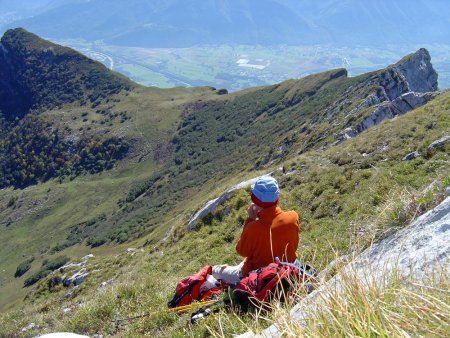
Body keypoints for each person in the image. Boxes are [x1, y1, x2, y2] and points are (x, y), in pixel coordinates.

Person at [212, 176, 299, 284]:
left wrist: (250, 219)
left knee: (215, 270)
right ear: (277, 198)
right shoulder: (293, 216)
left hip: (260, 276)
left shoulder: (253, 227)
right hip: (289, 269)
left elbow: (242, 251)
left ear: (255, 201)